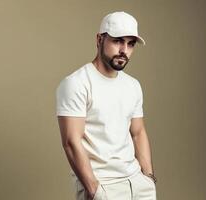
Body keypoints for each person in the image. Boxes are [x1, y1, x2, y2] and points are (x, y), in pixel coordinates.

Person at [56, 11, 157, 200]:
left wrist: (148, 178)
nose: (124, 50)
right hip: (103, 186)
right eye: (118, 41)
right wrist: (94, 190)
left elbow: (138, 132)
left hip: (137, 183)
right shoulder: (77, 83)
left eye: (130, 43)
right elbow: (71, 142)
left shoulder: (133, 85)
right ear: (99, 39)